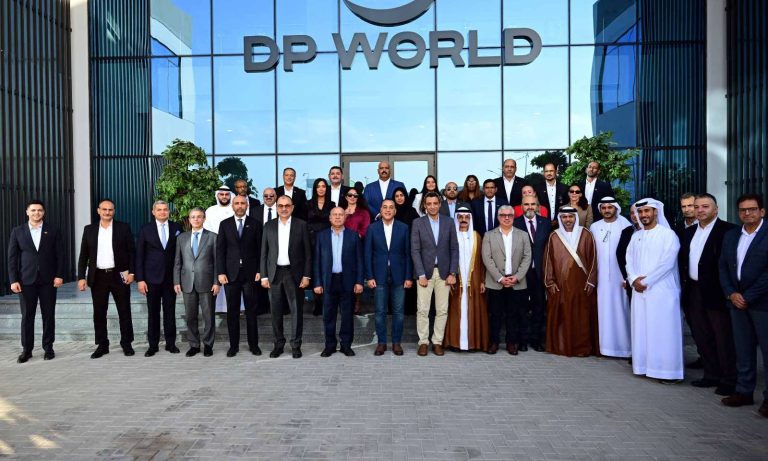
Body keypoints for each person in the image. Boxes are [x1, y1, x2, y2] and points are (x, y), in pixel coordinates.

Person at [678, 193, 737, 394]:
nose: (700, 210)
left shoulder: (728, 231)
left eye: (705, 206)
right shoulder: (689, 232)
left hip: (717, 292)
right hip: (693, 290)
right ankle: (711, 374)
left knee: (722, 336)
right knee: (701, 334)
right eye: (697, 207)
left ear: (716, 209)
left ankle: (729, 379)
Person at [719, 193, 768, 417]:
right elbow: (723, 266)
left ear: (762, 211)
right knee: (743, 350)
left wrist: (747, 296)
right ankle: (744, 391)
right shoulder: (732, 235)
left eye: (752, 209)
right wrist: (731, 293)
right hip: (736, 303)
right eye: (743, 210)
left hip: (762, 304)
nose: (747, 213)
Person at [626, 198, 683, 382]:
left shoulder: (668, 235)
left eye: (647, 211)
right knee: (642, 329)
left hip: (661, 291)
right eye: (640, 212)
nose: (643, 215)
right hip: (639, 291)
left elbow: (667, 263)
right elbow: (628, 261)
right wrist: (633, 279)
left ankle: (668, 372)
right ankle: (644, 367)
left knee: (663, 331)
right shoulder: (636, 236)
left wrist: (646, 281)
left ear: (656, 212)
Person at [77, 199, 136, 359]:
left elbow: (132, 252)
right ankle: (102, 345)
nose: (107, 212)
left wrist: (132, 273)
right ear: (98, 211)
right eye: (104, 209)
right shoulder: (89, 230)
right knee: (99, 312)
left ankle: (126, 343)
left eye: (110, 209)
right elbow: (83, 255)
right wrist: (81, 277)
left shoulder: (123, 228)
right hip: (98, 276)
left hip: (119, 275)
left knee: (124, 311)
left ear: (114, 211)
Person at [7, 200, 65, 363]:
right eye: (33, 210)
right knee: (27, 316)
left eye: (39, 210)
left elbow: (60, 255)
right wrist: (13, 280)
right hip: (26, 281)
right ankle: (27, 350)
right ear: (27, 212)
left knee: (49, 315)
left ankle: (48, 348)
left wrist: (59, 275)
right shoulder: (18, 231)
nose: (36, 213)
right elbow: (12, 258)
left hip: (48, 280)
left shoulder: (53, 230)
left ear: (43, 212)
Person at [261, 196, 313, 359]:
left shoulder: (301, 225)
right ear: (276, 208)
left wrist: (306, 275)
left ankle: (296, 345)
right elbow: (263, 253)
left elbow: (308, 254)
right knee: (275, 311)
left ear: (292, 207)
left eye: (287, 206)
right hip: (274, 274)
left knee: (296, 311)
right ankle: (278, 344)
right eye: (281, 206)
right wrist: (264, 276)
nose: (284, 208)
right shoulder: (268, 225)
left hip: (294, 274)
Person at [543, 206, 598, 357]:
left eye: (570, 216)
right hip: (561, 286)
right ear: (560, 219)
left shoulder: (586, 234)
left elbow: (593, 259)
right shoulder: (554, 236)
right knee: (563, 316)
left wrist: (591, 281)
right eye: (564, 217)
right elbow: (548, 261)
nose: (568, 220)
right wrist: (550, 282)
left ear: (575, 217)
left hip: (582, 285)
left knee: (581, 317)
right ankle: (562, 347)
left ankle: (581, 348)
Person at [411, 192, 459, 356]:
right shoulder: (418, 223)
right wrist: (420, 274)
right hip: (425, 273)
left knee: (442, 310)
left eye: (435, 203)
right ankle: (423, 342)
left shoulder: (449, 222)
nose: (432, 206)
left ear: (440, 204)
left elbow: (454, 248)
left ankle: (437, 342)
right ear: (424, 205)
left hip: (444, 273)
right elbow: (415, 250)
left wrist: (453, 272)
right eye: (429, 204)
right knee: (422, 310)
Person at [314, 207, 364, 357]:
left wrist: (359, 281)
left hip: (347, 280)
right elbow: (317, 261)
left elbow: (359, 261)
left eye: (340, 214)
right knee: (328, 315)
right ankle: (329, 345)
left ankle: (346, 345)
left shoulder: (353, 236)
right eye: (334, 214)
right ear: (330, 218)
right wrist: (317, 282)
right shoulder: (321, 236)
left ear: (345, 217)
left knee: (347, 315)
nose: (337, 217)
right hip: (328, 280)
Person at [216, 195, 263, 357]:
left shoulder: (255, 224)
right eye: (237, 203)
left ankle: (254, 345)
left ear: (247, 205)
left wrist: (260, 270)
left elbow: (260, 250)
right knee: (232, 312)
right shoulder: (225, 224)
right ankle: (233, 346)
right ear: (232, 206)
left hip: (251, 274)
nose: (240, 206)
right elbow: (220, 250)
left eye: (243, 203)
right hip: (231, 275)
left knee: (251, 312)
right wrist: (221, 272)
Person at [482, 205, 532, 355]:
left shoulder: (523, 235)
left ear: (514, 217)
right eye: (503, 215)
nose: (506, 218)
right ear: (498, 217)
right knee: (495, 314)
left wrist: (517, 277)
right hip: (496, 282)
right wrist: (500, 278)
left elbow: (527, 257)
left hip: (516, 282)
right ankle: (494, 342)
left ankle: (511, 343)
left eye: (509, 215)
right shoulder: (489, 235)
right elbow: (487, 258)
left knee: (513, 314)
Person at [365, 199, 413, 356]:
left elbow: (408, 254)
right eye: (385, 207)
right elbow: (367, 254)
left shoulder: (404, 228)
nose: (387, 210)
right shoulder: (372, 228)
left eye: (391, 207)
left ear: (395, 211)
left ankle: (396, 343)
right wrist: (369, 276)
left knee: (399, 312)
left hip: (399, 276)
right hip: (378, 276)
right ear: (380, 210)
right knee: (380, 312)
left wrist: (408, 276)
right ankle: (381, 343)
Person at [135, 200, 182, 356]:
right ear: (153, 212)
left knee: (170, 312)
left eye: (165, 209)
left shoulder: (177, 228)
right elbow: (139, 255)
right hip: (151, 279)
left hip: (170, 279)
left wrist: (179, 279)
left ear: (168, 211)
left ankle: (171, 344)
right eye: (159, 209)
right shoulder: (145, 229)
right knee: (153, 313)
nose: (162, 212)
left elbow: (180, 254)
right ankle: (153, 346)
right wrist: (140, 279)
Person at [173, 208, 219, 357]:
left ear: (204, 219)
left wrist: (216, 282)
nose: (196, 219)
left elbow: (217, 262)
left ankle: (208, 345)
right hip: (187, 282)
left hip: (207, 282)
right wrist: (176, 281)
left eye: (199, 217)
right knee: (190, 316)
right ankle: (194, 345)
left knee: (208, 316)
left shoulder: (212, 237)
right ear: (189, 219)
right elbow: (177, 262)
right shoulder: (182, 238)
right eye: (193, 217)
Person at [591, 197, 633, 358]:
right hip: (601, 277)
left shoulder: (626, 225)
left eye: (610, 207)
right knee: (603, 311)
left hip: (620, 277)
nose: (607, 210)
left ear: (616, 208)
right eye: (604, 207)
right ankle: (604, 348)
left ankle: (625, 348)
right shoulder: (595, 227)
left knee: (622, 311)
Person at [444, 206, 489, 352]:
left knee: (473, 310)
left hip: (474, 281)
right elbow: (445, 259)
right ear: (456, 218)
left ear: (470, 219)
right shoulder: (451, 236)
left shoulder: (477, 237)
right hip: (456, 280)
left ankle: (473, 343)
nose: (463, 220)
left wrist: (482, 280)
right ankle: (455, 343)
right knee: (456, 310)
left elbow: (482, 261)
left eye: (466, 217)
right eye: (460, 217)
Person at [513, 195, 552, 352]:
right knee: (521, 307)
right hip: (522, 273)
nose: (529, 207)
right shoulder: (515, 223)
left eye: (533, 204)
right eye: (526, 204)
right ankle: (522, 340)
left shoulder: (546, 224)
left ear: (537, 206)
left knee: (539, 306)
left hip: (540, 272)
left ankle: (536, 340)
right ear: (521, 206)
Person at [675, 192, 703, 370]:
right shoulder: (677, 229)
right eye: (683, 206)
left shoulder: (707, 227)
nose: (687, 209)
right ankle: (704, 357)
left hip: (705, 286)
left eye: (690, 206)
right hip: (685, 284)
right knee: (694, 323)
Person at [204, 185, 235, 314]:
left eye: (226, 194)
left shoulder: (235, 209)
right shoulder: (210, 210)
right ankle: (217, 307)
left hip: (231, 249)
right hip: (214, 247)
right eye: (221, 194)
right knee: (216, 275)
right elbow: (207, 229)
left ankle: (234, 307)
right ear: (217, 195)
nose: (224, 197)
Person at [307, 178, 334, 316]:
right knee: (314, 270)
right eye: (318, 186)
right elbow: (305, 223)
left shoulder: (332, 204)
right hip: (311, 240)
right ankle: (317, 303)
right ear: (315, 189)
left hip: (327, 240)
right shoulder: (308, 204)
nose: (321, 188)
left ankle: (326, 302)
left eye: (323, 186)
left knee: (326, 269)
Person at [393, 186, 419, 315]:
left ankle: (409, 308)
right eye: (396, 196)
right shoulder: (391, 211)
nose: (399, 198)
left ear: (405, 196)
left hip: (409, 249)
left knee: (409, 278)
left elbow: (417, 229)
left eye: (401, 195)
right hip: (394, 251)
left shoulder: (412, 211)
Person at [617, 204, 639, 302]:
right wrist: (628, 277)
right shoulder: (626, 231)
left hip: (650, 282)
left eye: (637, 212)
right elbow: (620, 255)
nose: (634, 215)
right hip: (631, 280)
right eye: (632, 213)